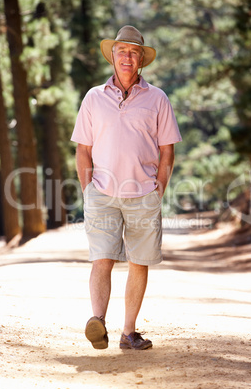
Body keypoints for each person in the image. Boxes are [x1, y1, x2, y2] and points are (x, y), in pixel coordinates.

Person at [71, 25, 182, 350]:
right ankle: (98, 321)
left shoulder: (158, 98)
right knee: (102, 258)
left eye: (134, 52)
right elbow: (82, 149)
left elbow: (167, 150)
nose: (127, 57)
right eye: (122, 51)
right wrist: (87, 188)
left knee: (139, 261)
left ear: (141, 60)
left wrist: (158, 189)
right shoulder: (93, 98)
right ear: (113, 56)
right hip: (102, 194)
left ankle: (128, 333)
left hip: (143, 195)